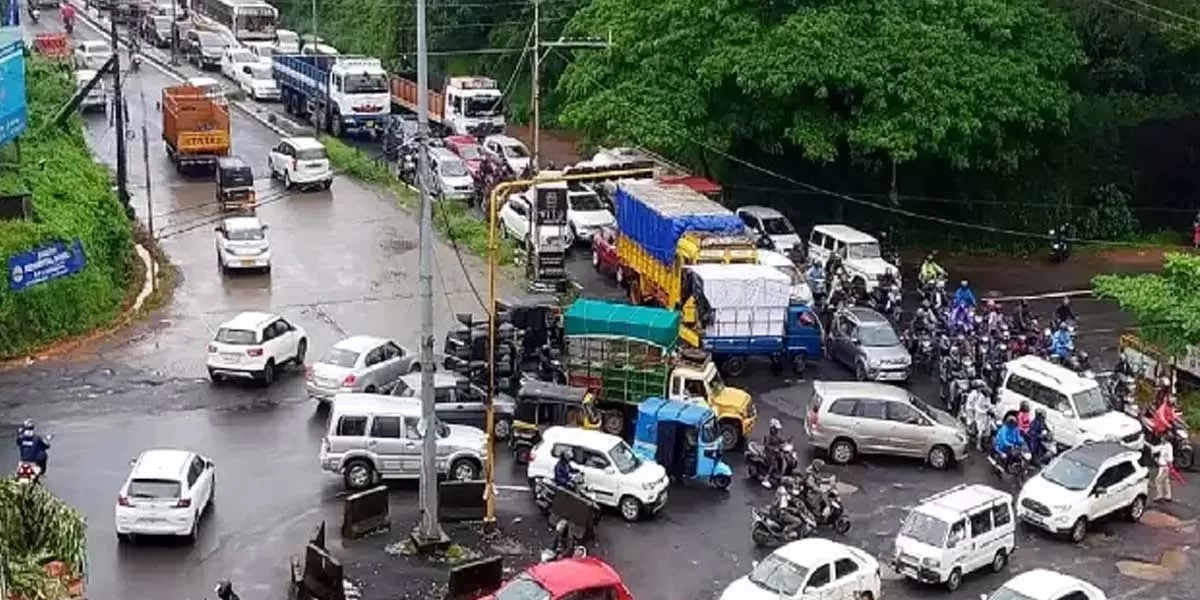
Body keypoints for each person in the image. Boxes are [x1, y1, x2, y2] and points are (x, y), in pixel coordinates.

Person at [967, 379, 992, 451]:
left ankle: (981, 441)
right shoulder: (979, 397)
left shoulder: (987, 398)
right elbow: (976, 407)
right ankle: (978, 445)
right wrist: (985, 411)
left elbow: (988, 404)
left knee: (986, 429)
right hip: (979, 416)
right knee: (979, 431)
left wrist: (991, 409)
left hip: (985, 417)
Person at [762, 418, 785, 488]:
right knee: (772, 464)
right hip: (769, 453)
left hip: (776, 452)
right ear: (772, 428)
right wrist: (774, 449)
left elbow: (781, 440)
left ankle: (779, 473)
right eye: (776, 429)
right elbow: (767, 446)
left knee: (781, 459)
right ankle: (766, 478)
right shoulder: (768, 436)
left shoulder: (777, 436)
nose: (777, 430)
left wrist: (786, 443)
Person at [1151, 434, 1174, 502]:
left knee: (1158, 480)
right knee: (1166, 481)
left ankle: (1160, 495)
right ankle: (1168, 496)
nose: (1161, 439)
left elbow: (1170, 458)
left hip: (1165, 467)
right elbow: (1155, 449)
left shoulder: (1168, 447)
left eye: (1162, 438)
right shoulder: (1163, 446)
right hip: (1162, 467)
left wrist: (1170, 466)